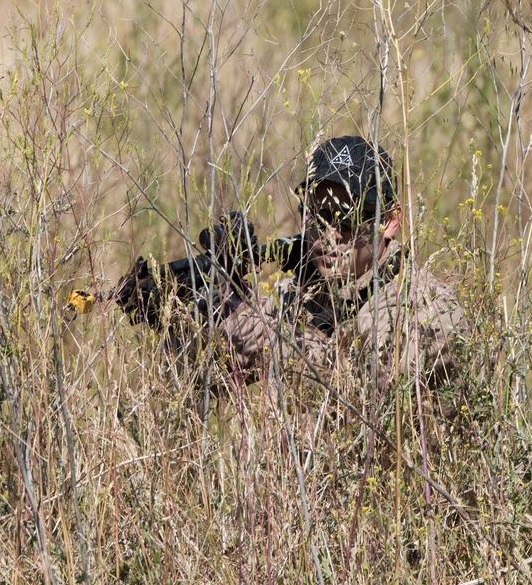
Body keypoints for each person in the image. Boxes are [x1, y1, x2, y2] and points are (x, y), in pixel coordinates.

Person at [113, 135, 466, 419]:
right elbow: (202, 384)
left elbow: (359, 403)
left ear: (389, 221)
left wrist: (250, 326)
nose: (330, 234)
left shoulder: (430, 309)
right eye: (315, 216)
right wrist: (186, 316)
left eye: (346, 219)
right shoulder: (301, 293)